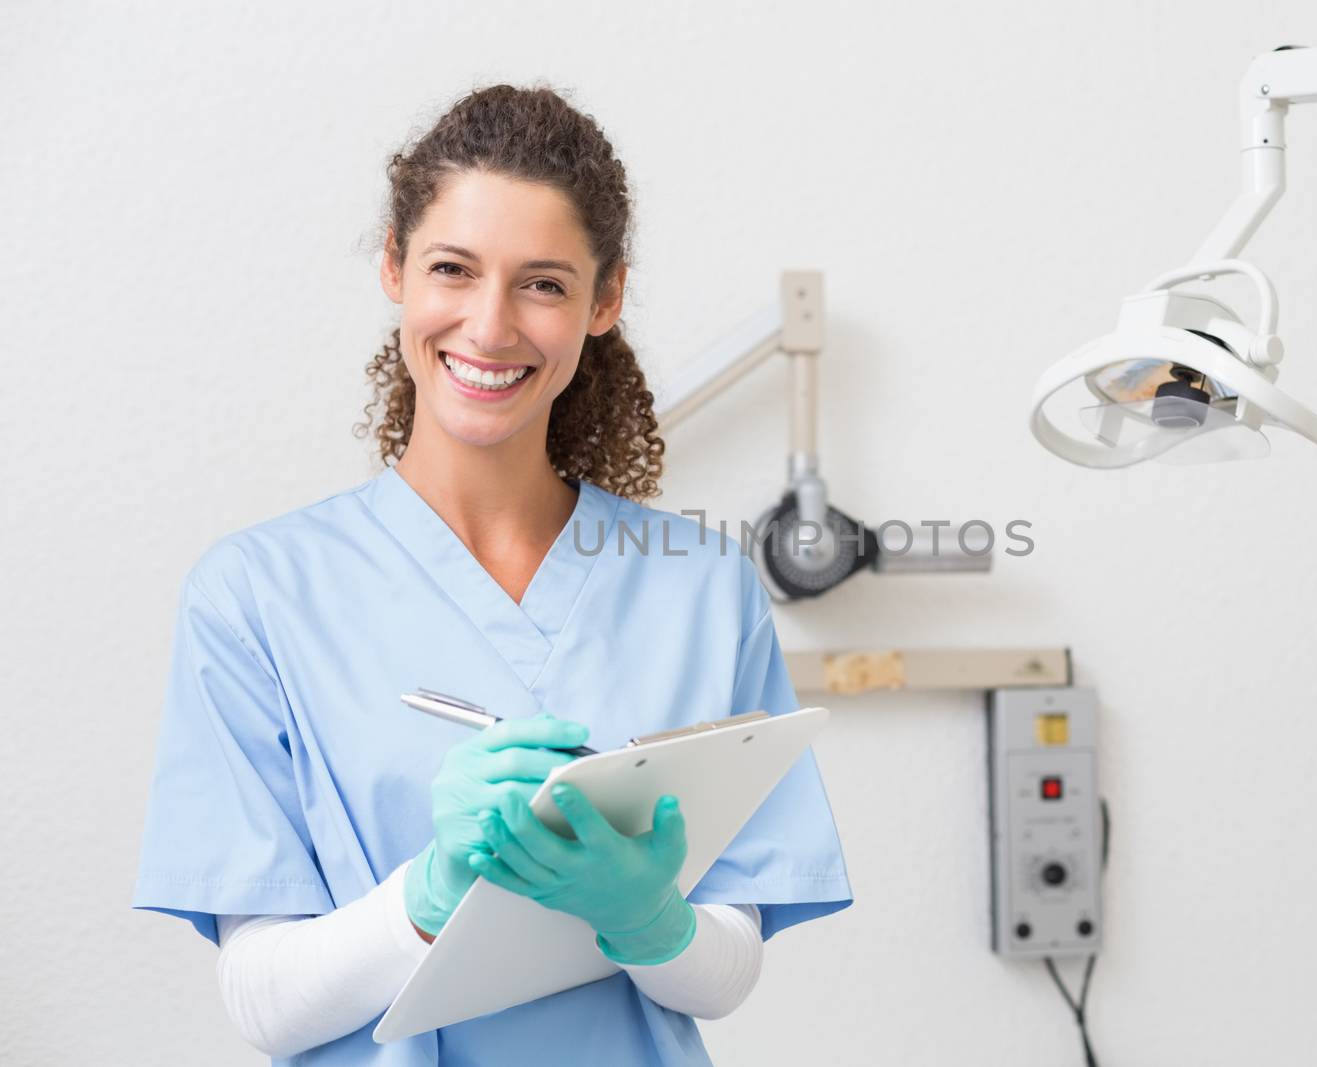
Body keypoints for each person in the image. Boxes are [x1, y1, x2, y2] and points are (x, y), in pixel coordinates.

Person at [130, 83, 853, 1065]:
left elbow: (726, 970)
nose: (490, 323)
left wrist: (646, 917)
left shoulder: (699, 585)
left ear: (605, 300)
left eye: (544, 283)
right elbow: (263, 1001)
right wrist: (429, 891)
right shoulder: (257, 593)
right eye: (452, 269)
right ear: (395, 265)